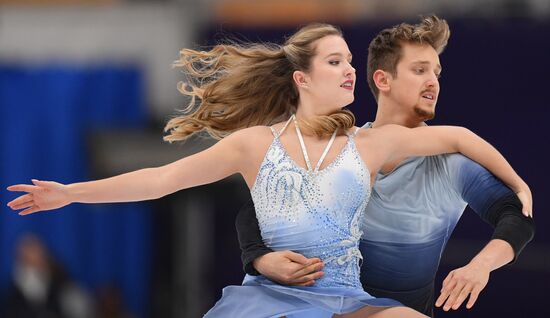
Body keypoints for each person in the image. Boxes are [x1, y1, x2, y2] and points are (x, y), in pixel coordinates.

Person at [6, 22, 531, 318]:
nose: (349, 70)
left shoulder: (373, 144)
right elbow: (159, 180)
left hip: (346, 297)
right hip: (271, 300)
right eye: (335, 62)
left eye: (351, 61)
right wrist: (70, 192)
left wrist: (517, 184)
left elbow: (461, 137)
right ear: (302, 79)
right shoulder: (254, 145)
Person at [236, 15, 536, 317]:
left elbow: (517, 218)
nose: (433, 80)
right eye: (420, 70)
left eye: (436, 72)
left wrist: (479, 266)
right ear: (383, 80)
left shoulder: (452, 165)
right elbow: (258, 209)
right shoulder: (341, 150)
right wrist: (259, 258)